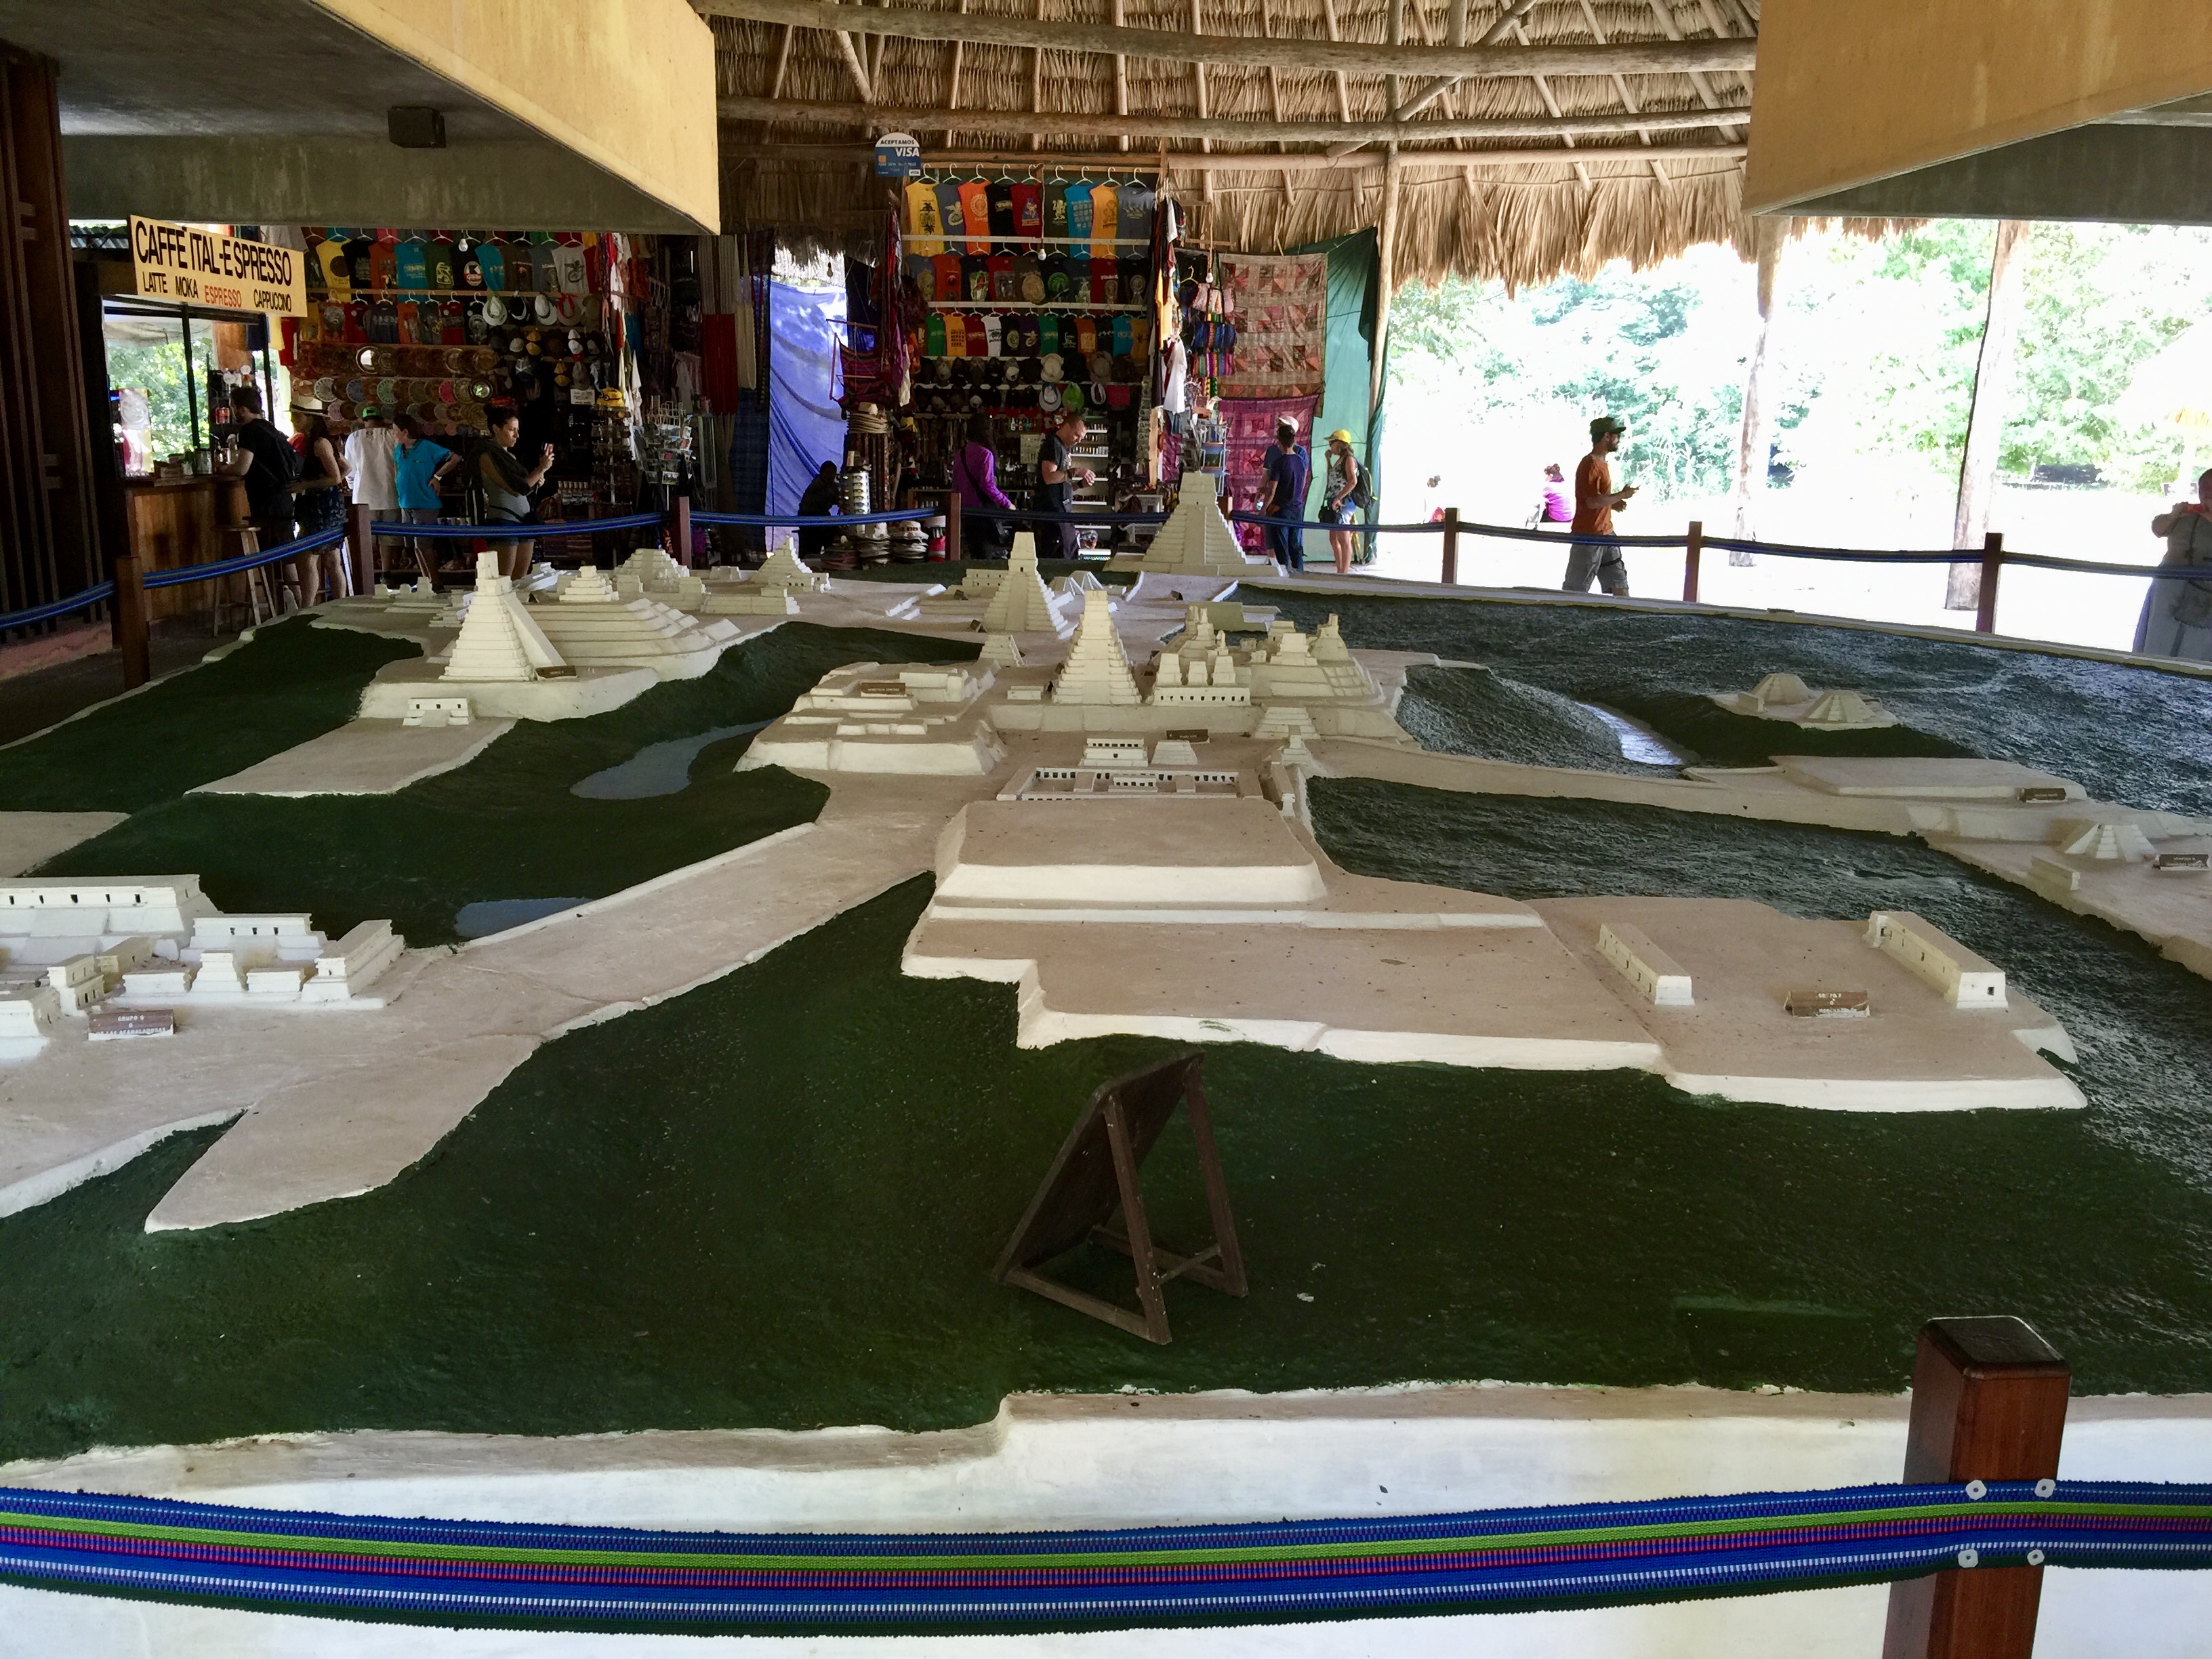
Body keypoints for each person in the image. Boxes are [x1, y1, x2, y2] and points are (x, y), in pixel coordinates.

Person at [218, 386, 298, 601]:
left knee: (272, 556)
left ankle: (282, 605)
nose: (233, 413)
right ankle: (298, 604)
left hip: (266, 502)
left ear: (243, 409)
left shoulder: (249, 431)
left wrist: (223, 469)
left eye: (234, 408)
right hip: (283, 498)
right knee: (286, 552)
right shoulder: (271, 429)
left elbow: (242, 468)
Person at [2136, 468, 2212, 661]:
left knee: (2197, 637)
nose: (2207, 492)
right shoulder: (2185, 514)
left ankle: (2190, 670)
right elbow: (2157, 529)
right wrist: (2173, 516)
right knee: (2160, 627)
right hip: (2170, 581)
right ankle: (2153, 664)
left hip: (2205, 586)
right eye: (2204, 487)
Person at [476, 403, 553, 580]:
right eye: (511, 430)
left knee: (521, 579)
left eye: (517, 430)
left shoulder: (510, 457)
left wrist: (537, 476)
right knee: (503, 580)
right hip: (504, 519)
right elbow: (515, 489)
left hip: (523, 519)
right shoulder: (487, 456)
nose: (516, 435)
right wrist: (540, 469)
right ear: (496, 429)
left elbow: (524, 486)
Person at [1565, 415, 1637, 596]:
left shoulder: (1600, 463)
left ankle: (1624, 614)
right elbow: (1592, 502)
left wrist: (1613, 503)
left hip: (1606, 533)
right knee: (1575, 590)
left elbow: (1594, 498)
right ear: (1606, 436)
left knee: (1620, 585)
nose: (1618, 439)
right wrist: (1621, 495)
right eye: (1616, 435)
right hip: (1589, 535)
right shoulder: (1590, 464)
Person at [393, 413, 459, 588]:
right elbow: (398, 470)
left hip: (425, 503)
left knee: (423, 544)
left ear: (405, 432)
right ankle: (426, 582)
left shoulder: (427, 447)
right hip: (406, 503)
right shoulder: (398, 450)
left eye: (395, 431)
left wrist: (437, 476)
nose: (393, 434)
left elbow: (455, 458)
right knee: (415, 546)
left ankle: (436, 582)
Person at [343, 405, 400, 581]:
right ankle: (386, 574)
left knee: (365, 538)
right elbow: (399, 463)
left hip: (363, 496)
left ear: (363, 420)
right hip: (390, 494)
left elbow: (349, 468)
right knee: (388, 538)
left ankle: (366, 575)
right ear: (381, 419)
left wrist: (352, 486)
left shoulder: (354, 438)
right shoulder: (391, 435)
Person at [950, 415, 1017, 554]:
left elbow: (955, 485)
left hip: (965, 512)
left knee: (974, 554)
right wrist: (1007, 503)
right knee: (986, 556)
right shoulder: (986, 455)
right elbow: (988, 485)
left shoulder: (960, 454)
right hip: (982, 513)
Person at [1038, 411, 1094, 560]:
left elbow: (1061, 486)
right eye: (1076, 435)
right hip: (1052, 515)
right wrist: (1075, 471)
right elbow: (1049, 477)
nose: (1078, 441)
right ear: (1067, 427)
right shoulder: (1053, 444)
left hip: (1063, 513)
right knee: (1058, 560)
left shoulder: (1063, 448)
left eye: (1081, 438)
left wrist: (1080, 485)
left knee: (1069, 558)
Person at [1260, 415, 1310, 571]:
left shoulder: (1279, 463)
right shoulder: (1301, 461)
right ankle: (1300, 575)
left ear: (1279, 442)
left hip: (1280, 510)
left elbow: (1272, 490)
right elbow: (1300, 486)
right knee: (1295, 546)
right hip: (1296, 509)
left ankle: (1284, 576)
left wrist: (1264, 510)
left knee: (1281, 548)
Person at [1320, 428, 1366, 575]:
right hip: (1334, 501)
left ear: (1340, 443)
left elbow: (1353, 481)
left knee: (1343, 538)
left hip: (1344, 503)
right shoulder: (1339, 460)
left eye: (1332, 442)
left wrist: (1339, 497)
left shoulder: (1349, 459)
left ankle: (1344, 573)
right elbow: (1332, 478)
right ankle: (1339, 569)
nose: (1330, 446)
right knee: (1333, 539)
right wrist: (1328, 460)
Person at [795, 460, 842, 563]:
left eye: (832, 473)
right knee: (815, 545)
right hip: (809, 518)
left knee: (834, 529)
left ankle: (831, 557)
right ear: (822, 474)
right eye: (827, 473)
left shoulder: (832, 485)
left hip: (821, 517)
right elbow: (831, 497)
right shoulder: (818, 485)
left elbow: (838, 498)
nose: (830, 476)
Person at [1534, 462, 1573, 529]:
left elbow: (1537, 498)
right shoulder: (1565, 485)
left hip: (1557, 518)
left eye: (1545, 476)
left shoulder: (1548, 486)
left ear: (1551, 476)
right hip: (1570, 517)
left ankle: (1536, 530)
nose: (1544, 478)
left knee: (1541, 509)